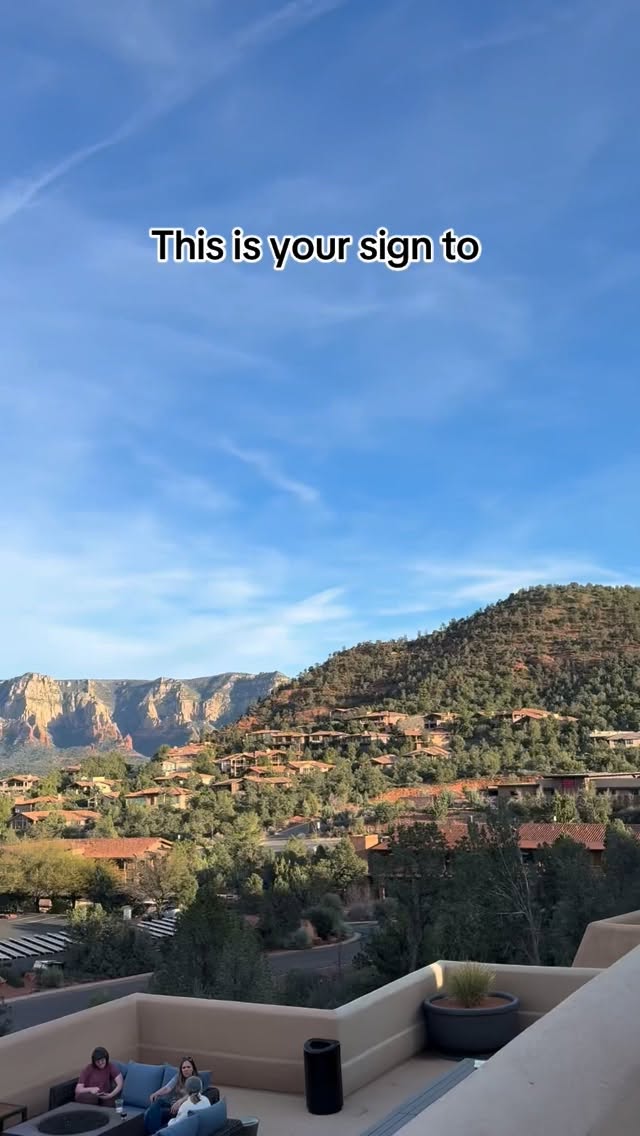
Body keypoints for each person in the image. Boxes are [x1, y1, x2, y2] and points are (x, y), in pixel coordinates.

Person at [144, 1057, 199, 1134]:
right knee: (156, 1103)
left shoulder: (196, 1080)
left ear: (193, 1068)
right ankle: (155, 1133)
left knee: (151, 1113)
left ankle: (155, 1133)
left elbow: (195, 1094)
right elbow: (167, 1088)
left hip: (181, 1109)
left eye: (188, 1067)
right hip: (171, 1105)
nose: (186, 1069)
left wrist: (180, 1101)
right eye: (183, 1068)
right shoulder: (178, 1077)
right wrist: (156, 1093)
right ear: (181, 1070)